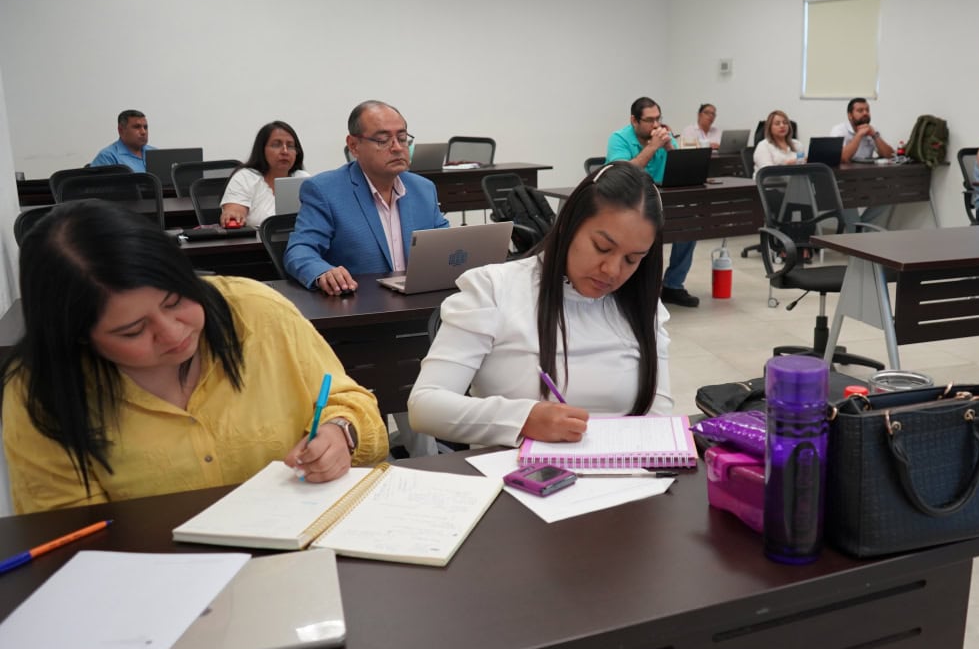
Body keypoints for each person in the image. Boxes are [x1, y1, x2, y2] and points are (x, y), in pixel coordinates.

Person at [1, 200, 388, 514]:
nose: (173, 333)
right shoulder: (42, 391)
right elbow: (64, 530)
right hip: (151, 575)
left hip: (302, 551)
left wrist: (341, 432)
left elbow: (352, 403)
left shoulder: (256, 312)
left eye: (175, 301)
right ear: (78, 337)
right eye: (133, 330)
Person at [408, 161, 673, 447]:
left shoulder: (640, 306)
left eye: (632, 259)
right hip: (515, 469)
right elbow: (425, 406)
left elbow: (658, 415)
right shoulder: (493, 289)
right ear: (568, 225)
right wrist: (523, 419)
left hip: (621, 467)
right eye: (602, 248)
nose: (612, 270)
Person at [284, 100, 450, 296]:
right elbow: (300, 250)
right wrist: (323, 272)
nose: (397, 147)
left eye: (402, 138)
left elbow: (447, 245)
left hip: (419, 301)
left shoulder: (423, 189)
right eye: (383, 140)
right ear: (354, 146)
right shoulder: (325, 190)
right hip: (360, 304)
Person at [606, 96, 697, 308]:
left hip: (662, 199)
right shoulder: (618, 139)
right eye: (649, 120)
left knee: (691, 224)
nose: (656, 125)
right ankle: (638, 287)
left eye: (658, 119)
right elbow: (622, 173)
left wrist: (669, 147)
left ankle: (673, 285)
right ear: (634, 120)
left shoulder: (664, 136)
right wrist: (652, 147)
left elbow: (681, 169)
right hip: (628, 202)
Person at [219, 120, 311, 229]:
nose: (285, 151)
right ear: (262, 150)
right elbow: (235, 211)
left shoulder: (303, 178)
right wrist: (233, 214)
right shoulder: (245, 177)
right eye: (276, 145)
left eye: (290, 146)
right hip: (256, 239)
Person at [831, 98, 895, 165]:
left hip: (866, 170)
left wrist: (875, 136)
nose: (865, 113)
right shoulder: (839, 130)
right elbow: (842, 158)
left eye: (867, 110)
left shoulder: (872, 130)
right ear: (850, 116)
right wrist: (859, 135)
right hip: (846, 171)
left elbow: (891, 156)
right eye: (860, 111)